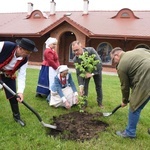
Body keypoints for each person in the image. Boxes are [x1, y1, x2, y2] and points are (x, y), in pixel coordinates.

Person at [110, 47, 150, 138]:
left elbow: (125, 86)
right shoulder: (139, 50)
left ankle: (130, 133)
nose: (114, 62)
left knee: (134, 106)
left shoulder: (121, 65)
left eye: (113, 59)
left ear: (116, 55)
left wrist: (124, 100)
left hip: (147, 78)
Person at [0, 38, 38, 126]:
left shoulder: (24, 60)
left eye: (29, 53)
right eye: (27, 52)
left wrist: (20, 92)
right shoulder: (5, 46)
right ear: (20, 48)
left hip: (8, 75)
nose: (28, 55)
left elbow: (22, 75)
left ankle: (17, 117)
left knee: (13, 96)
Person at [71, 41, 103, 108]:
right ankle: (84, 104)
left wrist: (92, 73)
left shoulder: (91, 50)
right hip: (85, 73)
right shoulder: (75, 60)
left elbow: (99, 62)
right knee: (84, 87)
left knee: (98, 86)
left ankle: (100, 103)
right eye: (74, 51)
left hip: (96, 70)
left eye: (77, 50)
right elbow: (79, 73)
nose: (76, 52)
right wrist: (80, 86)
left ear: (81, 47)